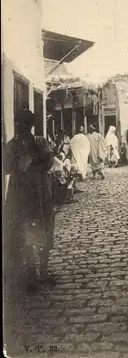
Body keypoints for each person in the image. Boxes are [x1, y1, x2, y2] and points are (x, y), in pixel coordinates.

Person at [4, 109, 56, 292]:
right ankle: (42, 272)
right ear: (32, 125)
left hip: (19, 194)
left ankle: (32, 275)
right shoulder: (40, 142)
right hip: (39, 192)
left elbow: (6, 169)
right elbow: (50, 164)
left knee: (24, 231)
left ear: (18, 124)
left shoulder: (12, 145)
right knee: (43, 227)